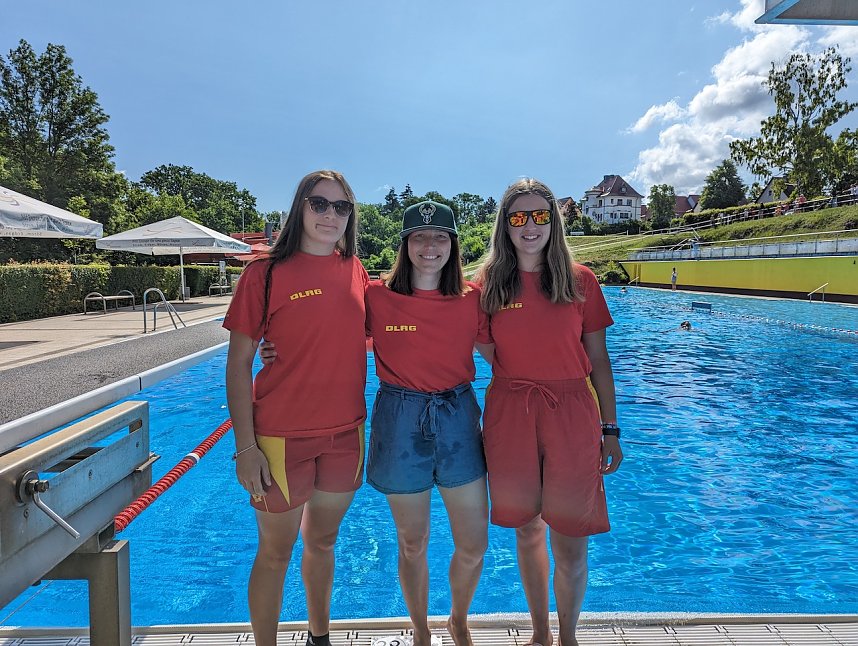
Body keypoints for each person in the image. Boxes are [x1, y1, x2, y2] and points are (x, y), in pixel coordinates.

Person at [260, 201, 493, 646]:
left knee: (474, 542)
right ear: (405, 245)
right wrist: (272, 347)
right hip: (400, 419)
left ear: (453, 245)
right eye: (419, 237)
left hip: (457, 416)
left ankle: (458, 619)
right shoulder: (377, 296)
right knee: (412, 541)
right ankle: (422, 630)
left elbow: (506, 354)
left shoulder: (472, 299)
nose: (430, 246)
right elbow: (326, 324)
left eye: (440, 237)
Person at [224, 170, 369, 646]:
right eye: (319, 204)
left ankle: (319, 636)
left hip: (346, 435)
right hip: (281, 437)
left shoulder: (357, 270)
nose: (331, 215)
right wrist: (245, 447)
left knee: (323, 541)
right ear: (299, 209)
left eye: (341, 207)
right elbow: (239, 363)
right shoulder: (263, 273)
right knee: (275, 552)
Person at [475, 178, 623, 646]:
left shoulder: (581, 281)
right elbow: (428, 324)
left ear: (553, 221)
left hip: (571, 412)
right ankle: (540, 633)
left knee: (571, 538)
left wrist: (611, 428)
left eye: (540, 215)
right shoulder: (486, 286)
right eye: (519, 217)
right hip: (510, 411)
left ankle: (568, 636)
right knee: (526, 530)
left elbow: (598, 360)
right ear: (505, 226)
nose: (530, 225)